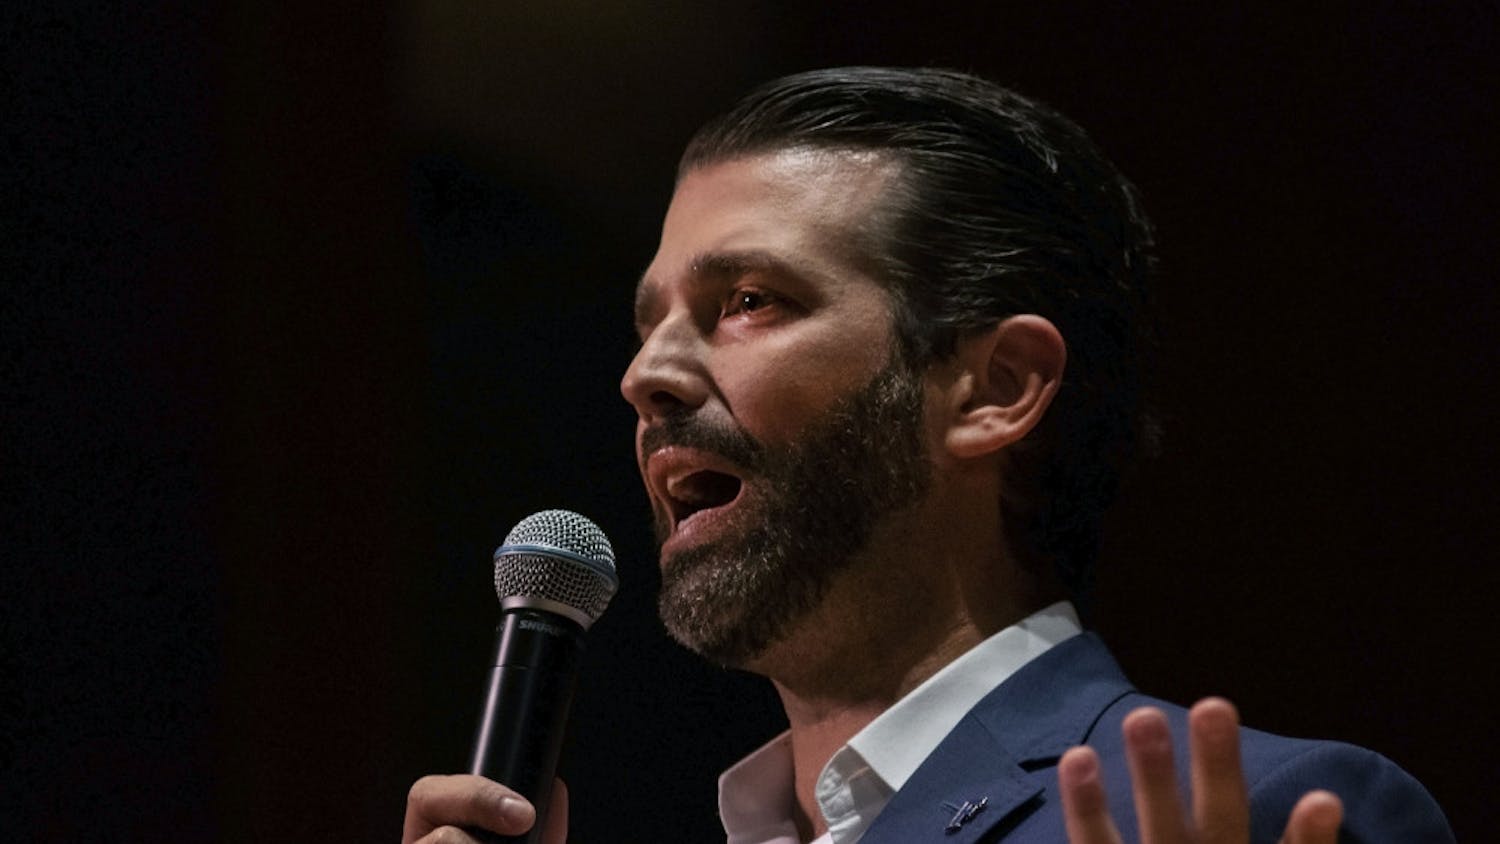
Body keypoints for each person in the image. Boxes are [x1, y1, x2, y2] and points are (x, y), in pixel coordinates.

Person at [404, 67, 1453, 843]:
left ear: (994, 389)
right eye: (649, 322)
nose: (647, 374)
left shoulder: (1267, 812)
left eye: (749, 302)